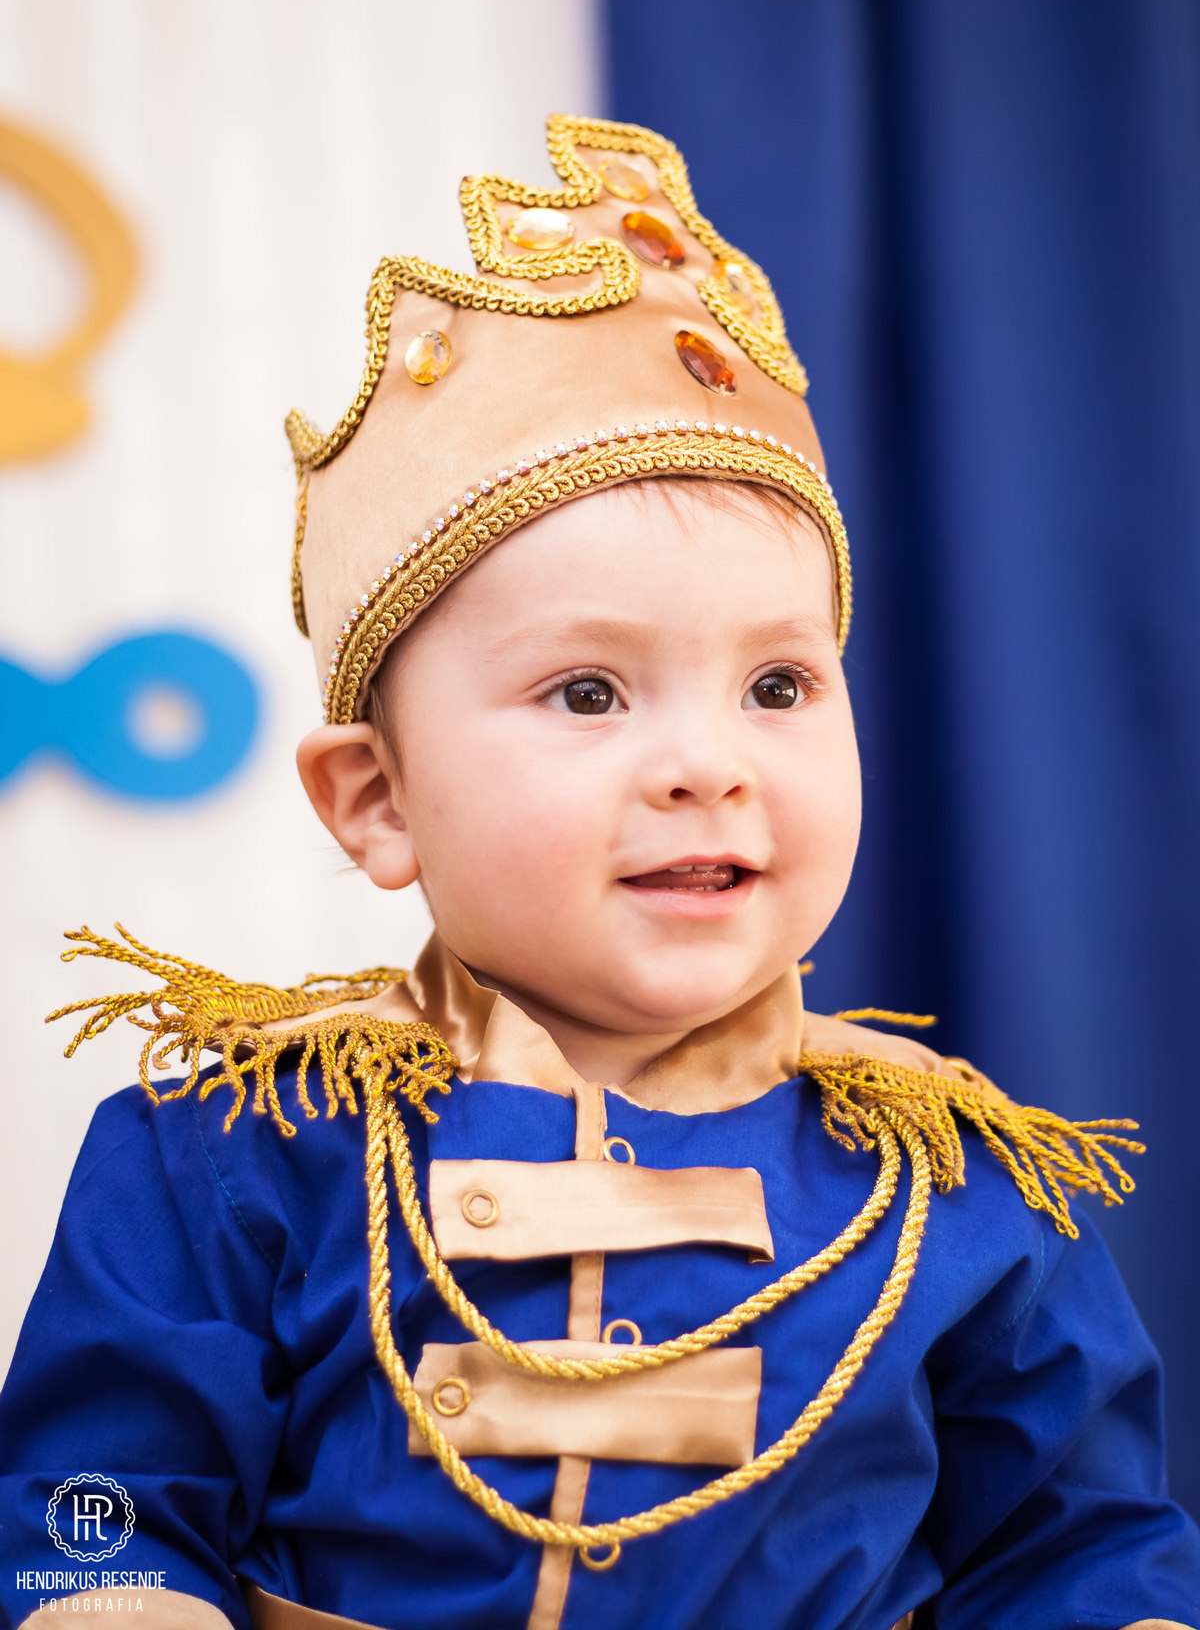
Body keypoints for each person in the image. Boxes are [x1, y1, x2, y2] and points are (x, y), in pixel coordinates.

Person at [2, 116, 1197, 1630]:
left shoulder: (957, 1191)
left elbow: (1085, 1552)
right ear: (377, 802)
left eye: (779, 687)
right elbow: (89, 1515)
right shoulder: (233, 1155)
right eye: (588, 694)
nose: (712, 763)